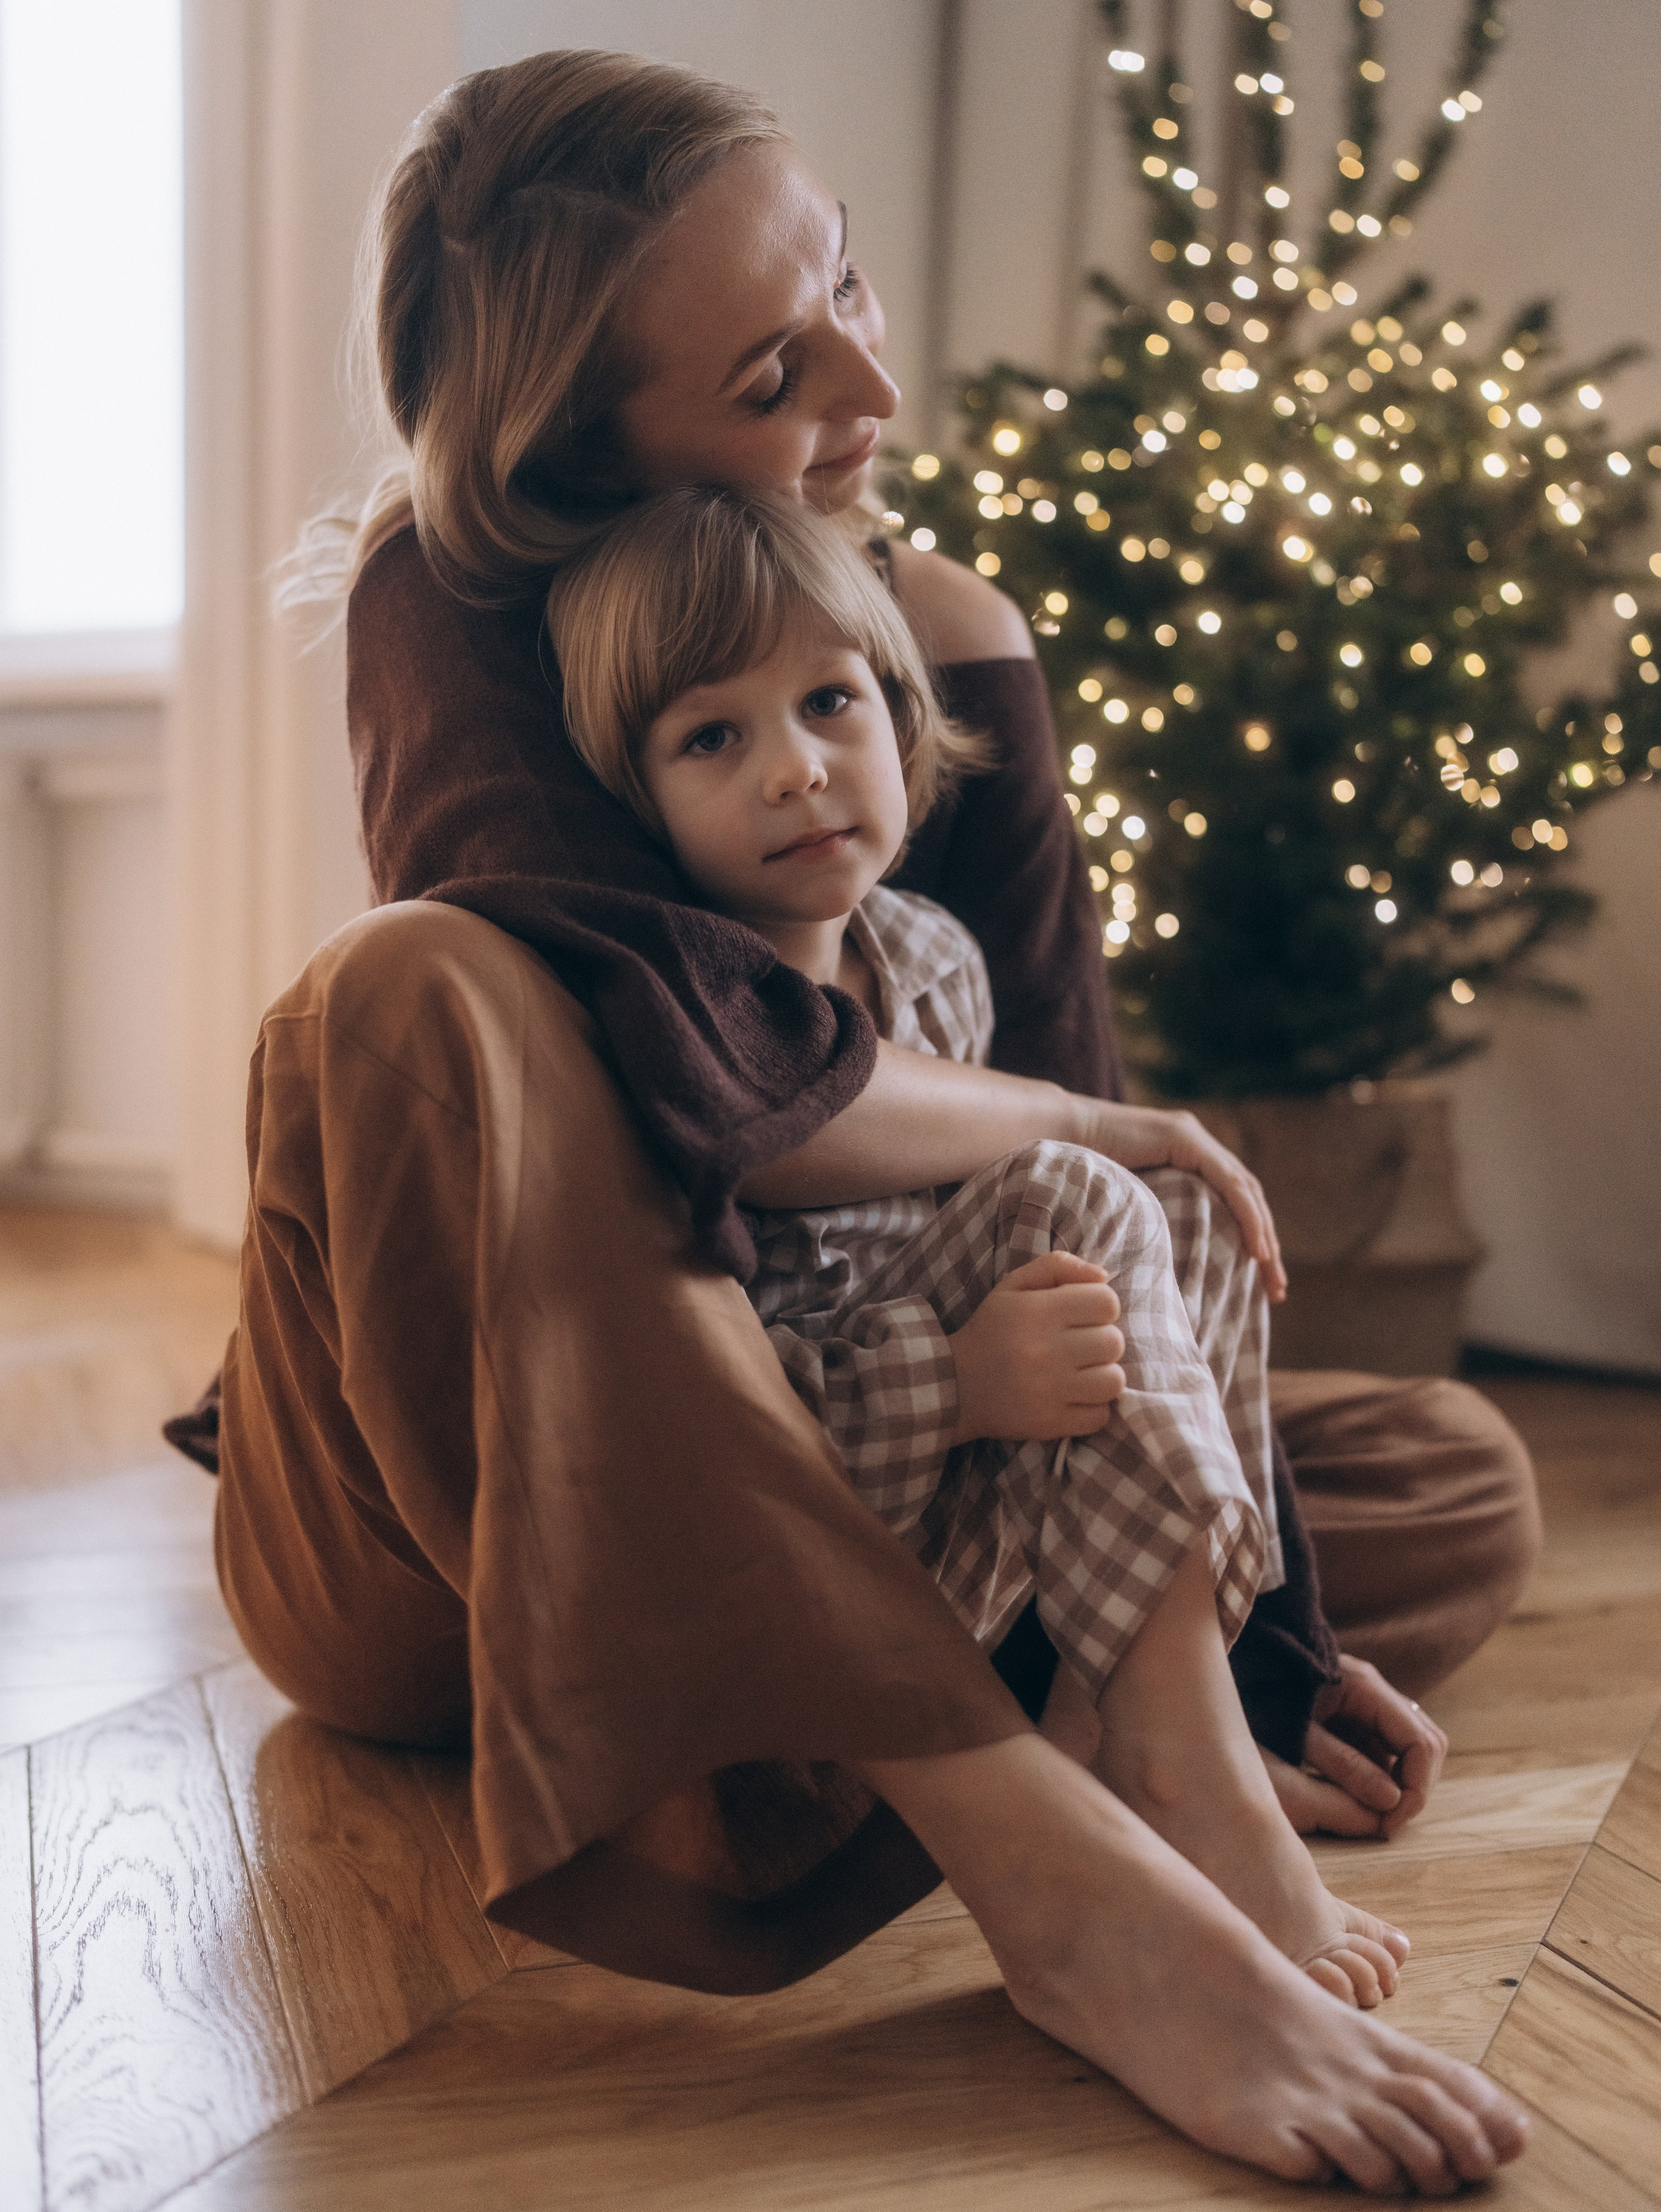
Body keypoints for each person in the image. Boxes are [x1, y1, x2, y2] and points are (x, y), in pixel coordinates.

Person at [208, 48, 1536, 2192]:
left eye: (842, 288)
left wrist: (1255, 1653)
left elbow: (1057, 1158)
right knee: (417, 987)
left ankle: (1094, 1723)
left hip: (869, 1470)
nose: (872, 392)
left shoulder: (920, 641)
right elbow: (705, 1095)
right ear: (580, 458)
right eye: (771, 365)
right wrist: (1076, 1177)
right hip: (445, 1535)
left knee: (1455, 1479)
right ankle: (1044, 1860)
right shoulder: (448, 601)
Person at [547, 477, 1417, 2008]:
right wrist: (953, 1380)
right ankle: (1181, 1752)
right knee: (1076, 1183)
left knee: (1178, 1197)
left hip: (1015, 1539)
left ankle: (1135, 1712)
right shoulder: (664, 1024)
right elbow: (705, 1419)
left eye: (828, 702)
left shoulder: (931, 960)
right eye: (712, 737)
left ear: (898, 715)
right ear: (639, 797)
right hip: (837, 1559)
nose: (795, 771)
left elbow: (1125, 1319)